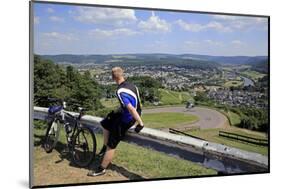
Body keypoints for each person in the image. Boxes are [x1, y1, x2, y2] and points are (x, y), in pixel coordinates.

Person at [88, 67, 144, 177]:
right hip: (131, 112)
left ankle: (102, 168)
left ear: (113, 77)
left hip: (128, 118)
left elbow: (131, 109)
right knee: (105, 123)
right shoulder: (132, 85)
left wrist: (140, 123)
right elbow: (137, 103)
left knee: (112, 144)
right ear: (122, 74)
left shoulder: (120, 91)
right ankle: (104, 148)